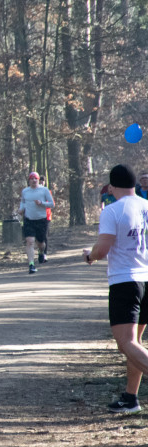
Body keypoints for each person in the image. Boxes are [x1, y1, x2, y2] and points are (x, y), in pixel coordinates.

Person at [83, 164, 148, 416]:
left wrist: (89, 256)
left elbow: (102, 249)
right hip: (146, 279)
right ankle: (130, 398)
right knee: (135, 343)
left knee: (126, 343)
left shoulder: (112, 210)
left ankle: (131, 398)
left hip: (125, 282)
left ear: (111, 187)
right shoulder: (146, 205)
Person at [19, 172, 54, 274]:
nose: (34, 180)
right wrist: (21, 209)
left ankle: (41, 252)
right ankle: (31, 265)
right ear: (29, 181)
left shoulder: (44, 190)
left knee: (41, 243)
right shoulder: (25, 191)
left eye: (36, 179)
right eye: (32, 179)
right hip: (29, 220)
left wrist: (41, 203)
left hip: (41, 220)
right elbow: (23, 202)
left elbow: (52, 204)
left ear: (38, 180)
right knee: (30, 241)